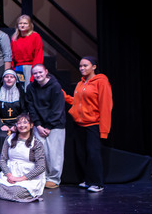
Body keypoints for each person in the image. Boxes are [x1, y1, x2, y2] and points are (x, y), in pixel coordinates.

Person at [65, 56, 113, 193]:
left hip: (93, 124)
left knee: (93, 154)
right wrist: (65, 97)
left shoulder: (101, 82)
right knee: (82, 154)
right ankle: (88, 180)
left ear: (94, 67)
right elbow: (78, 102)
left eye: (85, 65)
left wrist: (104, 131)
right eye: (80, 66)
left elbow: (106, 106)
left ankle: (97, 183)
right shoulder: (81, 83)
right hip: (79, 124)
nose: (82, 68)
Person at [28, 64, 67, 189]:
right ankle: (42, 177)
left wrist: (49, 126)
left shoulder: (55, 86)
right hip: (39, 125)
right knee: (40, 153)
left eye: (40, 72)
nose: (38, 75)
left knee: (54, 154)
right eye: (35, 73)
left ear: (46, 72)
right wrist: (38, 125)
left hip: (55, 125)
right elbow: (31, 107)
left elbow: (57, 109)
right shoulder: (31, 88)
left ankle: (54, 179)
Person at [0, 113, 47, 202]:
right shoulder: (9, 139)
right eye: (19, 123)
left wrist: (20, 179)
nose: (22, 125)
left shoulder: (36, 143)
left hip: (27, 177)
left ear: (31, 125)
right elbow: (2, 160)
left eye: (25, 122)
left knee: (17, 192)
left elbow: (41, 167)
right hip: (10, 175)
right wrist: (9, 175)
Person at [0, 69, 27, 155]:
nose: (9, 79)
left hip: (17, 124)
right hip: (2, 123)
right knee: (2, 136)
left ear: (15, 79)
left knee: (19, 136)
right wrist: (1, 125)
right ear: (3, 79)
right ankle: (0, 166)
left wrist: (17, 125)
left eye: (11, 77)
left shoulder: (21, 93)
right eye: (6, 77)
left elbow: (24, 111)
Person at [11, 15, 44, 89]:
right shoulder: (14, 38)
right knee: (19, 90)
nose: (22, 25)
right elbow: (11, 56)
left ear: (30, 25)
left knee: (28, 89)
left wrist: (35, 71)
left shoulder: (35, 36)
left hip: (30, 67)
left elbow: (38, 55)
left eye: (25, 23)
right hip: (18, 68)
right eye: (20, 23)